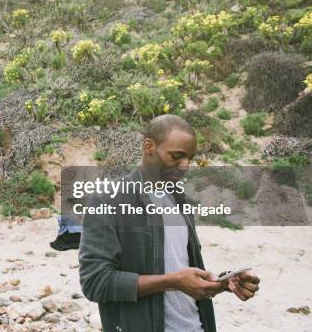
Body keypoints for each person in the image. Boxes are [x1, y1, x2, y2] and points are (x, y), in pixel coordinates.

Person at [78, 114, 260, 332]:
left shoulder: (179, 199)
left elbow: (180, 271)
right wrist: (173, 281)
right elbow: (95, 283)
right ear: (149, 146)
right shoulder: (108, 199)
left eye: (190, 158)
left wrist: (221, 284)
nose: (185, 166)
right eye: (176, 156)